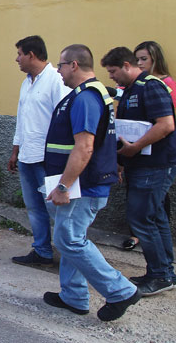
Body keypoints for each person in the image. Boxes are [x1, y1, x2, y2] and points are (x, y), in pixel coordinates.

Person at [43, 44, 140, 322]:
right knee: (70, 237)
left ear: (74, 65)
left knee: (69, 239)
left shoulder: (85, 98)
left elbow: (84, 147)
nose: (58, 71)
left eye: (60, 65)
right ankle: (73, 296)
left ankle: (120, 290)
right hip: (81, 182)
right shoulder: (92, 94)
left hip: (81, 185)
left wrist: (63, 186)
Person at [101, 47, 176, 296]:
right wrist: (123, 160)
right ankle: (163, 273)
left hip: (155, 165)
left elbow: (166, 125)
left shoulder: (151, 86)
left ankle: (160, 275)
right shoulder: (130, 91)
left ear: (127, 65)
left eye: (113, 71)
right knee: (155, 218)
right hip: (141, 164)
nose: (112, 77)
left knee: (141, 218)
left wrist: (136, 147)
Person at [8, 36, 70, 267]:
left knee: (55, 209)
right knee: (34, 208)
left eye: (20, 54)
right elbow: (21, 119)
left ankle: (69, 253)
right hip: (27, 156)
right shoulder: (27, 82)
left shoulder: (56, 80)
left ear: (31, 55)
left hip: (47, 159)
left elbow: (63, 121)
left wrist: (59, 159)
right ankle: (42, 251)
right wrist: (15, 150)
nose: (17, 59)